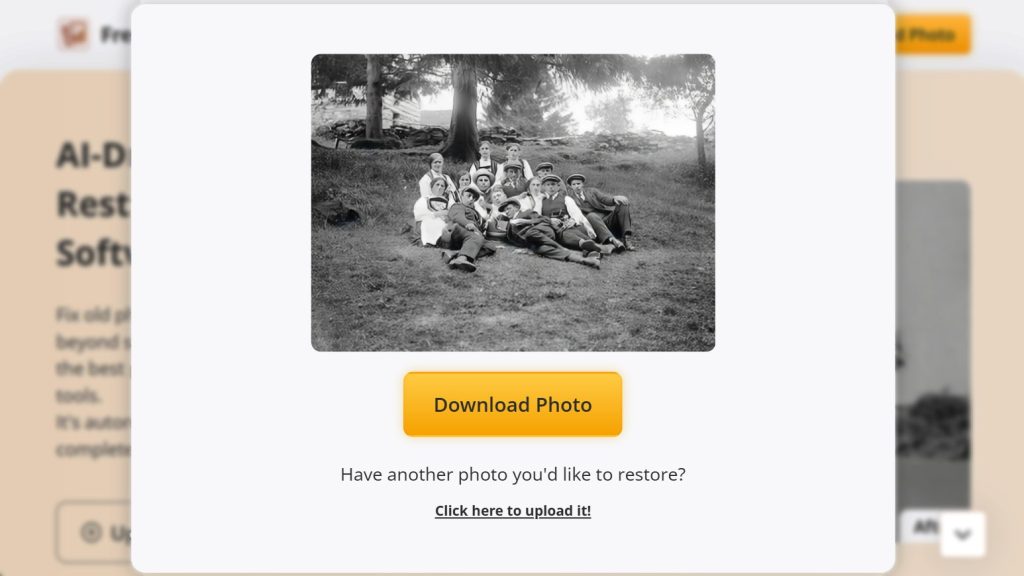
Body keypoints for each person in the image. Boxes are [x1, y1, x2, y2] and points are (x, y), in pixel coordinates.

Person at [500, 198, 600, 269]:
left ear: (517, 207)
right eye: (505, 211)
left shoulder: (526, 212)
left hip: (545, 230)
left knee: (531, 232)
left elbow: (544, 219)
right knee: (542, 249)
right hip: (535, 241)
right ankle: (584, 260)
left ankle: (561, 247)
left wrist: (526, 221)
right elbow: (512, 239)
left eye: (508, 208)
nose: (507, 212)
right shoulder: (509, 226)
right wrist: (525, 248)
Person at [538, 175, 610, 255]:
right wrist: (550, 221)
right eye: (548, 185)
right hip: (553, 229)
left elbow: (576, 214)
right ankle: (590, 246)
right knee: (562, 234)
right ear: (544, 187)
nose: (551, 187)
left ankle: (588, 246)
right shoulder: (540, 200)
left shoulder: (566, 199)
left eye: (553, 184)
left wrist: (573, 220)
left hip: (570, 226)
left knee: (568, 232)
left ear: (558, 186)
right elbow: (537, 216)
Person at [566, 173, 634, 251]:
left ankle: (627, 238)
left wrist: (615, 198)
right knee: (591, 215)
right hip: (593, 225)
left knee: (623, 204)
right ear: (570, 186)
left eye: (579, 183)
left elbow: (604, 199)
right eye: (574, 184)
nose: (577, 186)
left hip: (606, 220)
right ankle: (612, 241)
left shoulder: (592, 191)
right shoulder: (569, 198)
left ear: (583, 184)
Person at [443, 184, 490, 272]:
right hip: (456, 231)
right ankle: (461, 258)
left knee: (491, 247)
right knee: (476, 237)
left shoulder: (476, 212)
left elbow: (482, 226)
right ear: (461, 196)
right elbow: (457, 216)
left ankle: (455, 253)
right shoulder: (458, 205)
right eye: (469, 196)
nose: (471, 199)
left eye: (474, 197)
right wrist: (468, 224)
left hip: (469, 235)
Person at [412, 176, 455, 247]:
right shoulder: (424, 199)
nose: (439, 187)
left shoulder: (447, 202)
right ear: (432, 187)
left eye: (442, 186)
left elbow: (452, 215)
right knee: (431, 222)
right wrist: (436, 214)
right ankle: (430, 242)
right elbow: (419, 215)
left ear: (444, 189)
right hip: (427, 222)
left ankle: (442, 242)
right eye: (437, 185)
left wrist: (447, 217)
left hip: (444, 223)